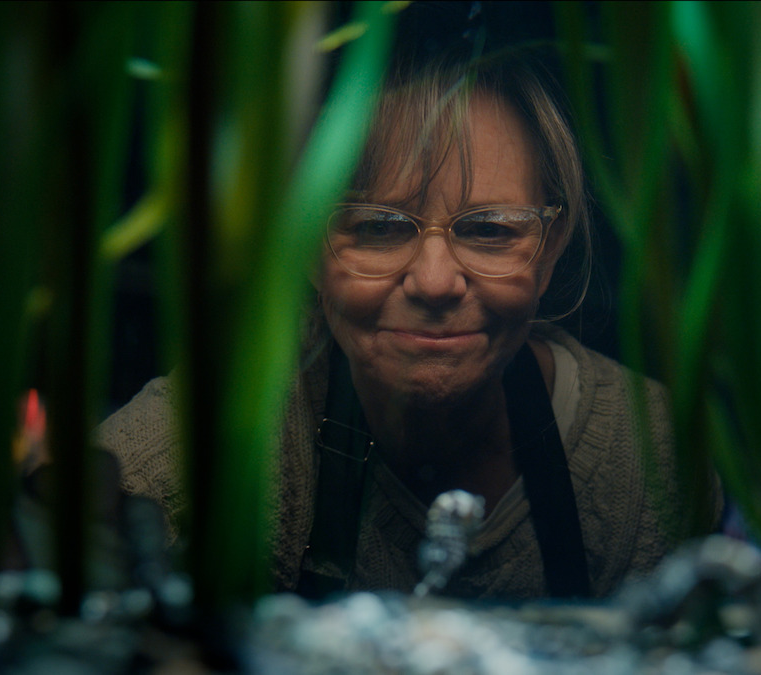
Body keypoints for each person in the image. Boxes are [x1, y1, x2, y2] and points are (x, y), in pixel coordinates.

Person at [96, 48, 721, 600]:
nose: (434, 283)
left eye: (489, 229)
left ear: (551, 247)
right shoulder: (222, 434)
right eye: (376, 226)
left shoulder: (651, 459)